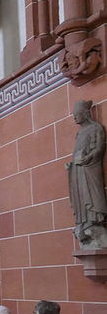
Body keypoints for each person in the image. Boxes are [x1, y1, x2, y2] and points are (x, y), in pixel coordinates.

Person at [67, 99, 107, 247]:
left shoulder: (96, 128)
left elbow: (99, 149)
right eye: (73, 114)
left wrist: (88, 158)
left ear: (85, 113)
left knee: (92, 194)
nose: (74, 117)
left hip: (90, 167)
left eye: (77, 114)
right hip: (78, 169)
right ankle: (84, 221)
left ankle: (94, 220)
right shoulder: (79, 133)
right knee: (81, 196)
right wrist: (71, 165)